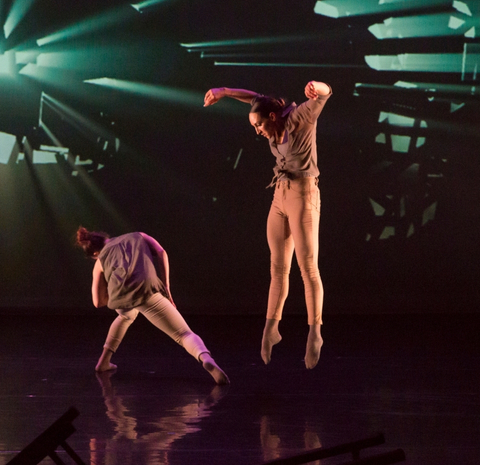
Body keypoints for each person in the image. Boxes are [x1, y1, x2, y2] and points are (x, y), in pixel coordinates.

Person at [204, 81, 332, 369]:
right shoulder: (268, 114)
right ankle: (270, 329)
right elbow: (255, 98)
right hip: (280, 196)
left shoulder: (300, 118)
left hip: (304, 195)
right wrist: (224, 92)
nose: (257, 131)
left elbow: (326, 94)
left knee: (308, 267)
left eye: (259, 125)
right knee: (278, 267)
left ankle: (315, 333)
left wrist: (317, 87)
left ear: (272, 118)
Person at [75, 227, 230, 385]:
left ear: (95, 253)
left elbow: (97, 302)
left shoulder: (100, 261)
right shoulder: (138, 235)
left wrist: (119, 292)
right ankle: (205, 358)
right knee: (184, 334)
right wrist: (166, 287)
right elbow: (161, 252)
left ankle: (103, 362)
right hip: (147, 291)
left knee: (125, 315)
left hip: (122, 299)